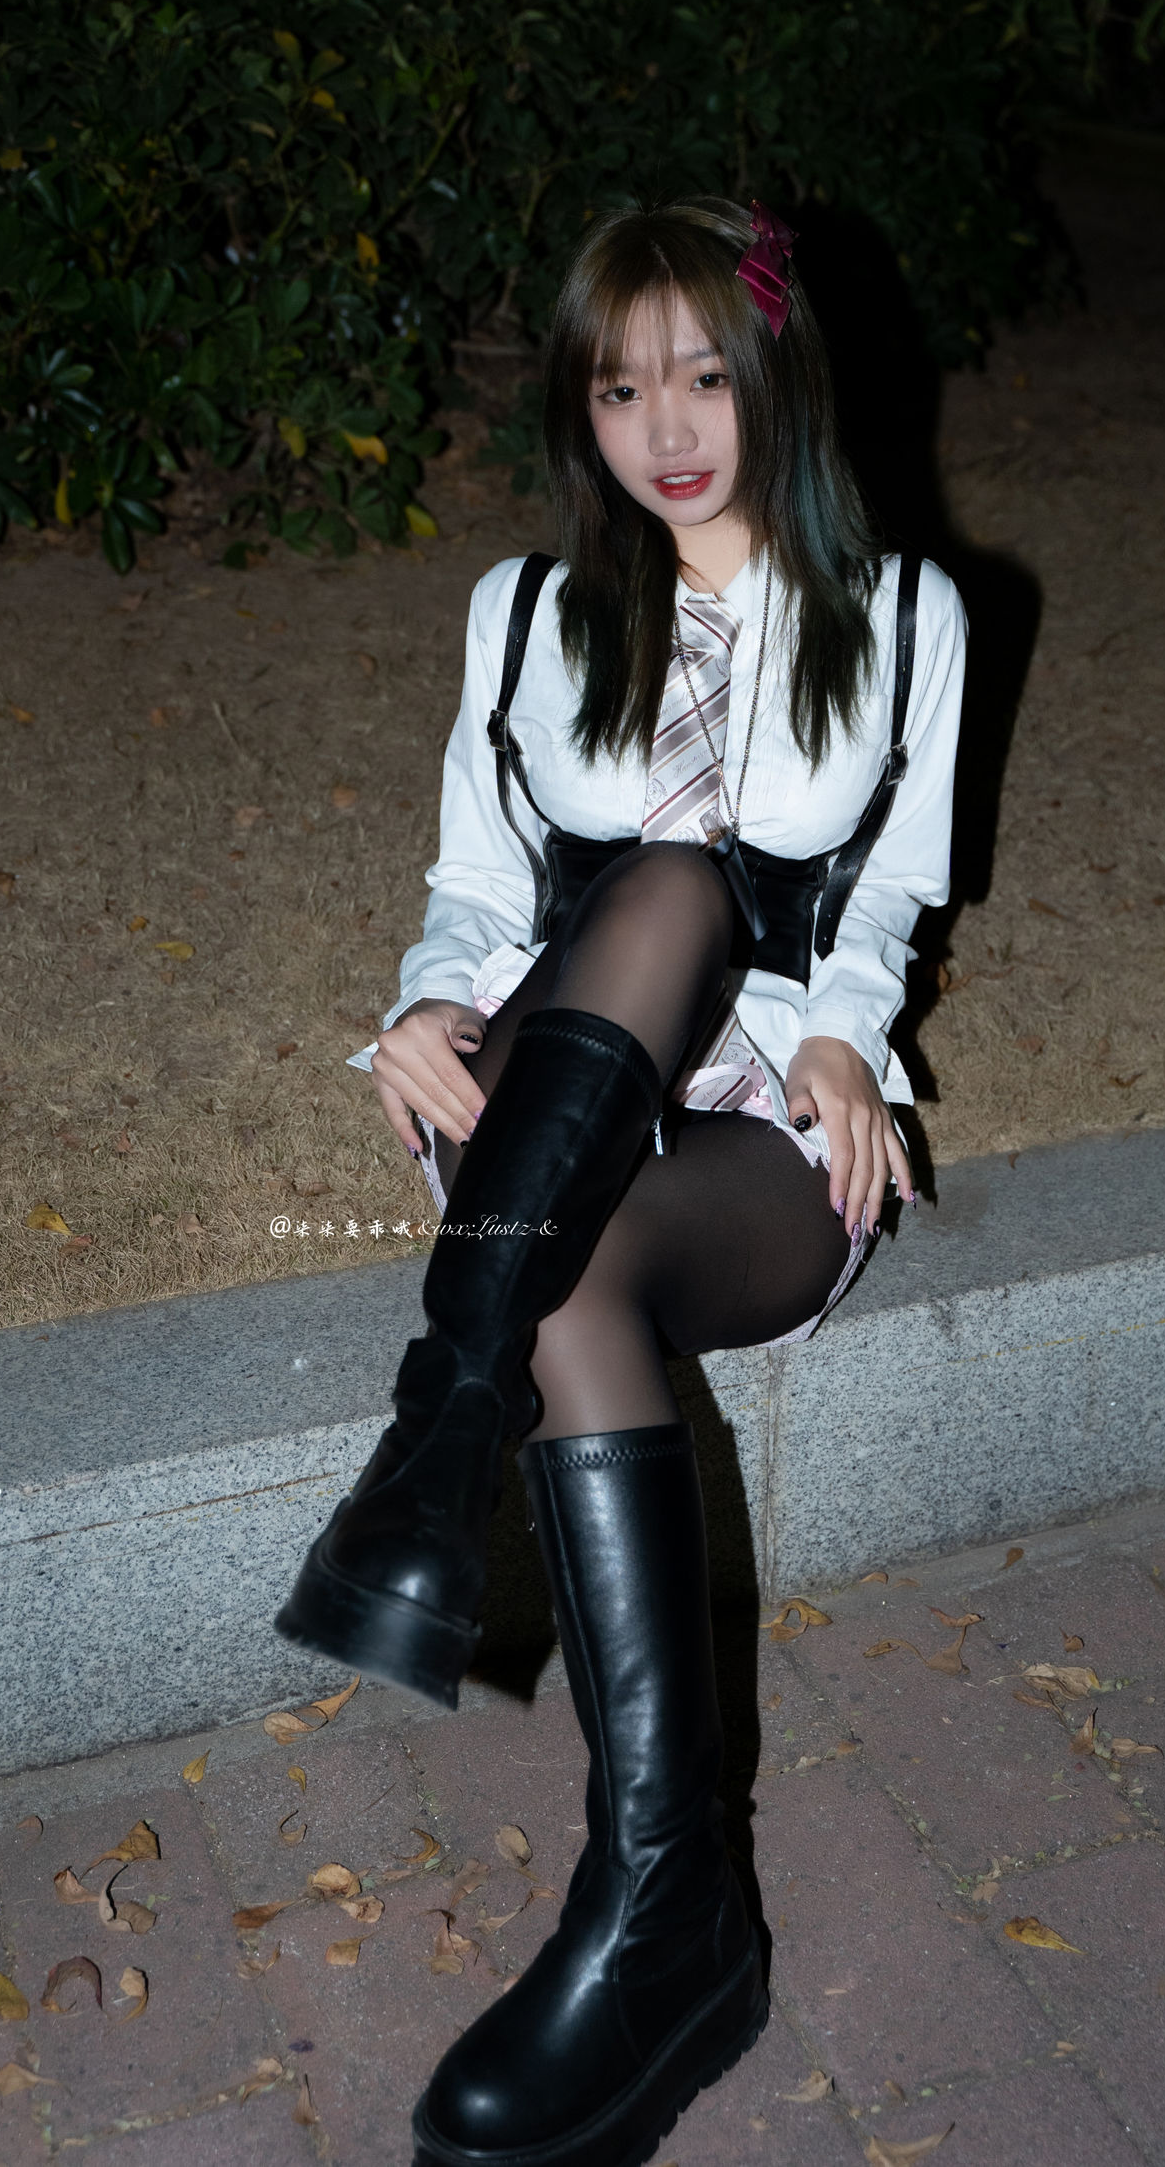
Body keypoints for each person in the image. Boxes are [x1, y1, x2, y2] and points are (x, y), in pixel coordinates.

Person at [276, 195, 966, 2167]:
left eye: (703, 379)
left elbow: (889, 899)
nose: (664, 427)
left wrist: (847, 1035)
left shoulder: (900, 617)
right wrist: (423, 1005)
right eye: (616, 388)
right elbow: (479, 883)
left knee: (662, 951)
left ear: (775, 381)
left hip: (753, 1131)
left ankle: (441, 1460)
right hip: (550, 1089)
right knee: (636, 910)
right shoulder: (526, 610)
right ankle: (675, 1919)